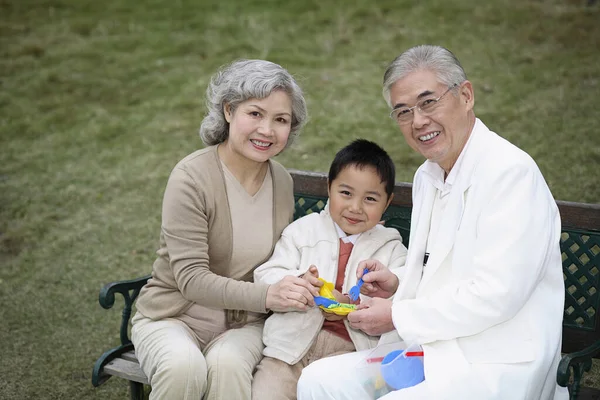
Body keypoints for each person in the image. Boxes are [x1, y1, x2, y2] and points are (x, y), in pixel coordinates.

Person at [297, 45, 568, 400]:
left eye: (428, 102)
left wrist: (397, 314)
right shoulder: (429, 176)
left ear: (466, 96)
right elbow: (446, 272)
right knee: (319, 381)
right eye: (403, 112)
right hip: (435, 353)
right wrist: (397, 284)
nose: (418, 121)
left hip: (496, 362)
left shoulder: (510, 174)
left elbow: (497, 295)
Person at [130, 59, 319, 400]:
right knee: (182, 368)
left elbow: (284, 255)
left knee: (228, 367)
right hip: (173, 316)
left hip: (243, 324)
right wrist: (267, 296)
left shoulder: (282, 182)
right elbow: (190, 279)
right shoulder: (191, 178)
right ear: (229, 111)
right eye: (255, 114)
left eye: (281, 120)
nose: (267, 130)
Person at [251, 139, 408, 400]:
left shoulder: (390, 248)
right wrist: (300, 282)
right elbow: (266, 275)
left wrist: (350, 302)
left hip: (349, 354)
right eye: (346, 193)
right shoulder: (303, 231)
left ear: (387, 202)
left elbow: (404, 293)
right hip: (289, 352)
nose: (355, 207)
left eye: (370, 199)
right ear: (329, 188)